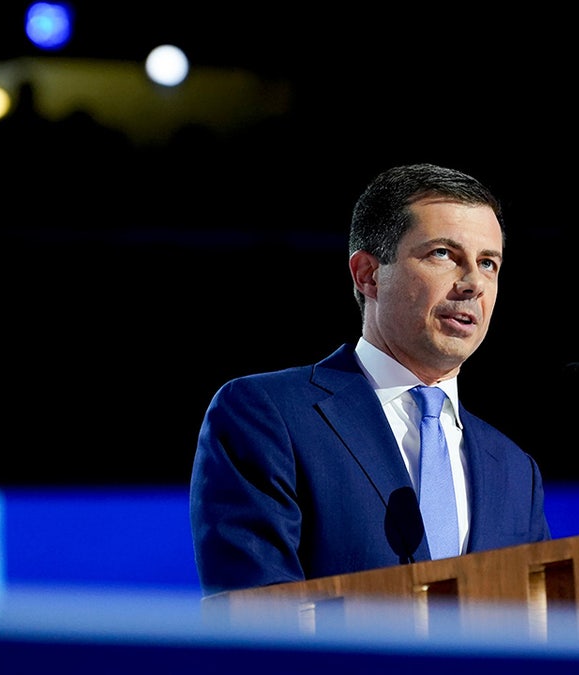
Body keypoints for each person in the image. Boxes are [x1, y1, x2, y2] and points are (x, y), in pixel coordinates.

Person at [189, 163, 552, 597]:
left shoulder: (514, 469)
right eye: (443, 254)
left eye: (488, 263)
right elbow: (257, 618)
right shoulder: (267, 415)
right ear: (368, 274)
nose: (474, 282)